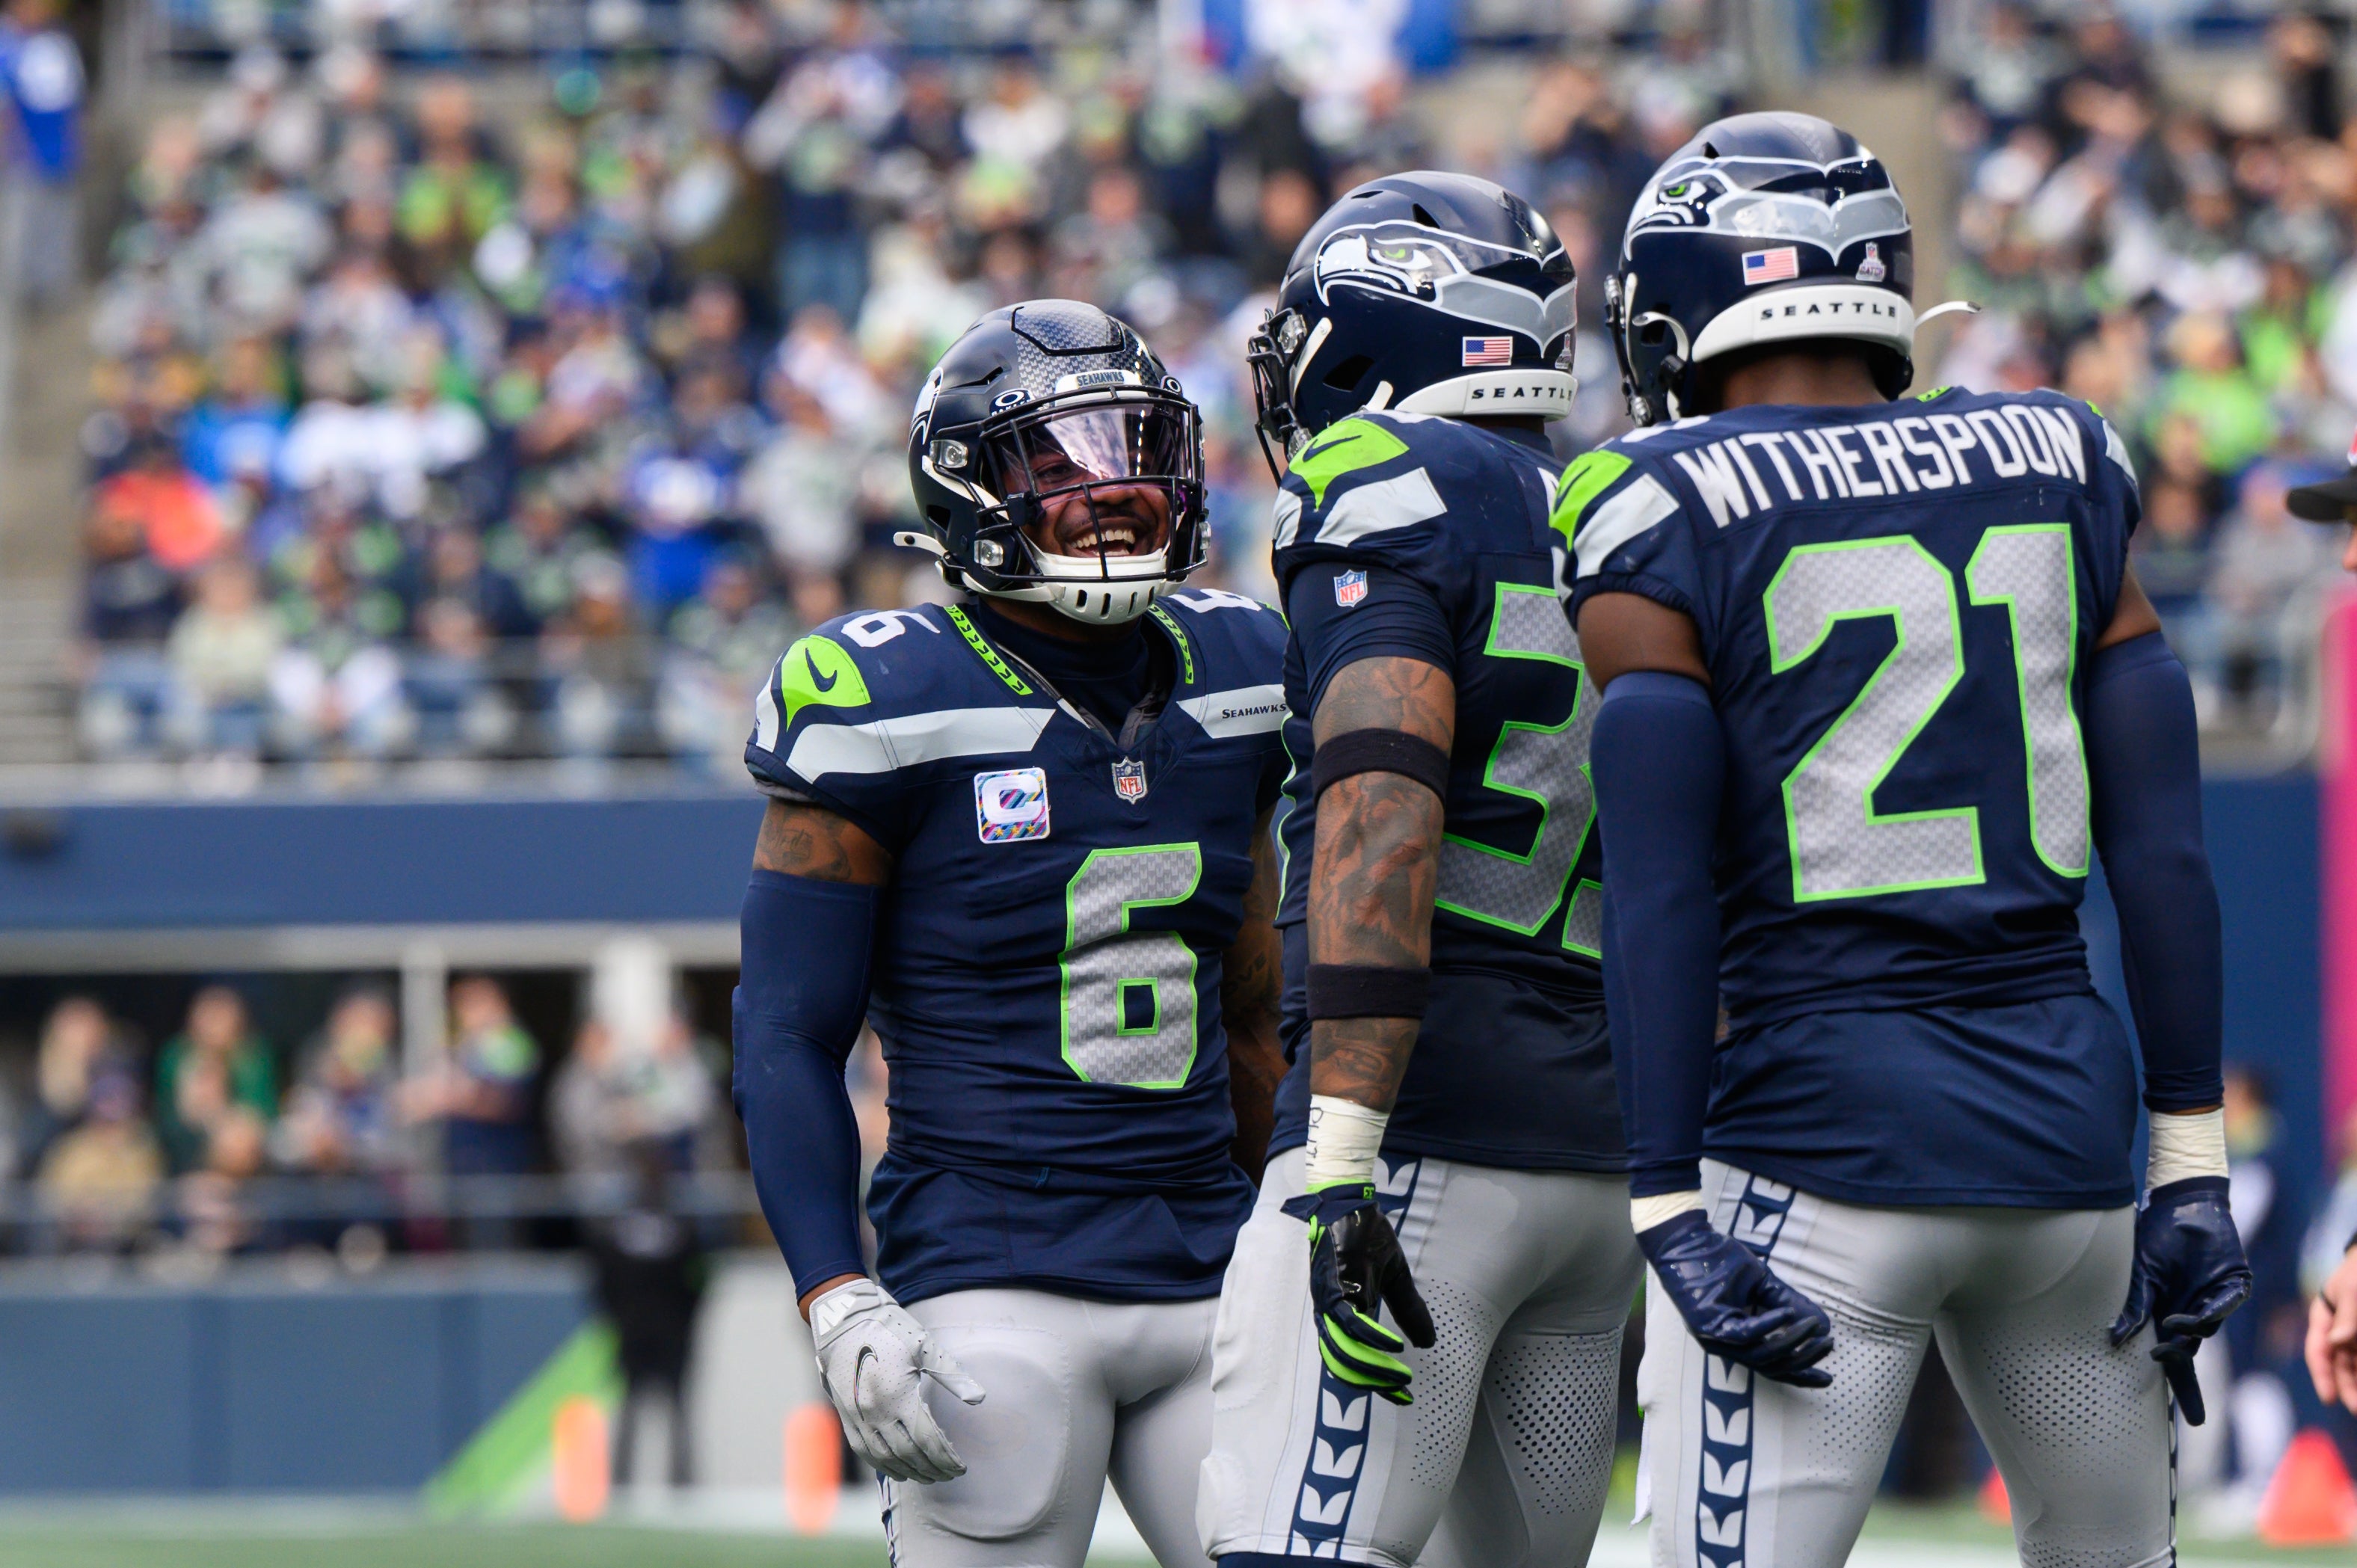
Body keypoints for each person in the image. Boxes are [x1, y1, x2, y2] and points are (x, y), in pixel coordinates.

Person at [1560, 111, 2252, 1567]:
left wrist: (1664, 1191)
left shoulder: (1655, 502)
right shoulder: (2058, 447)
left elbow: (1662, 891)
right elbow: (2165, 854)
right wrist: (2189, 1164)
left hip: (1812, 1159)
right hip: (2070, 1154)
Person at [734, 300, 1289, 1568]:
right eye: (1061, 462)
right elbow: (784, 1028)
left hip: (1213, 1269)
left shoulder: (1245, 668)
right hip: (994, 1279)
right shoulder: (879, 691)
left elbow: (1254, 1003)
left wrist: (1297, 1215)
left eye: (1135, 448)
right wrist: (836, 1291)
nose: (1114, 491)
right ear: (970, 491)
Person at [1198, 172, 1639, 1568]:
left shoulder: (1379, 483)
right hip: (1596, 1156)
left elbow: (1379, 811)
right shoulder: (1619, 506)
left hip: (1416, 1135)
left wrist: (1339, 1155)